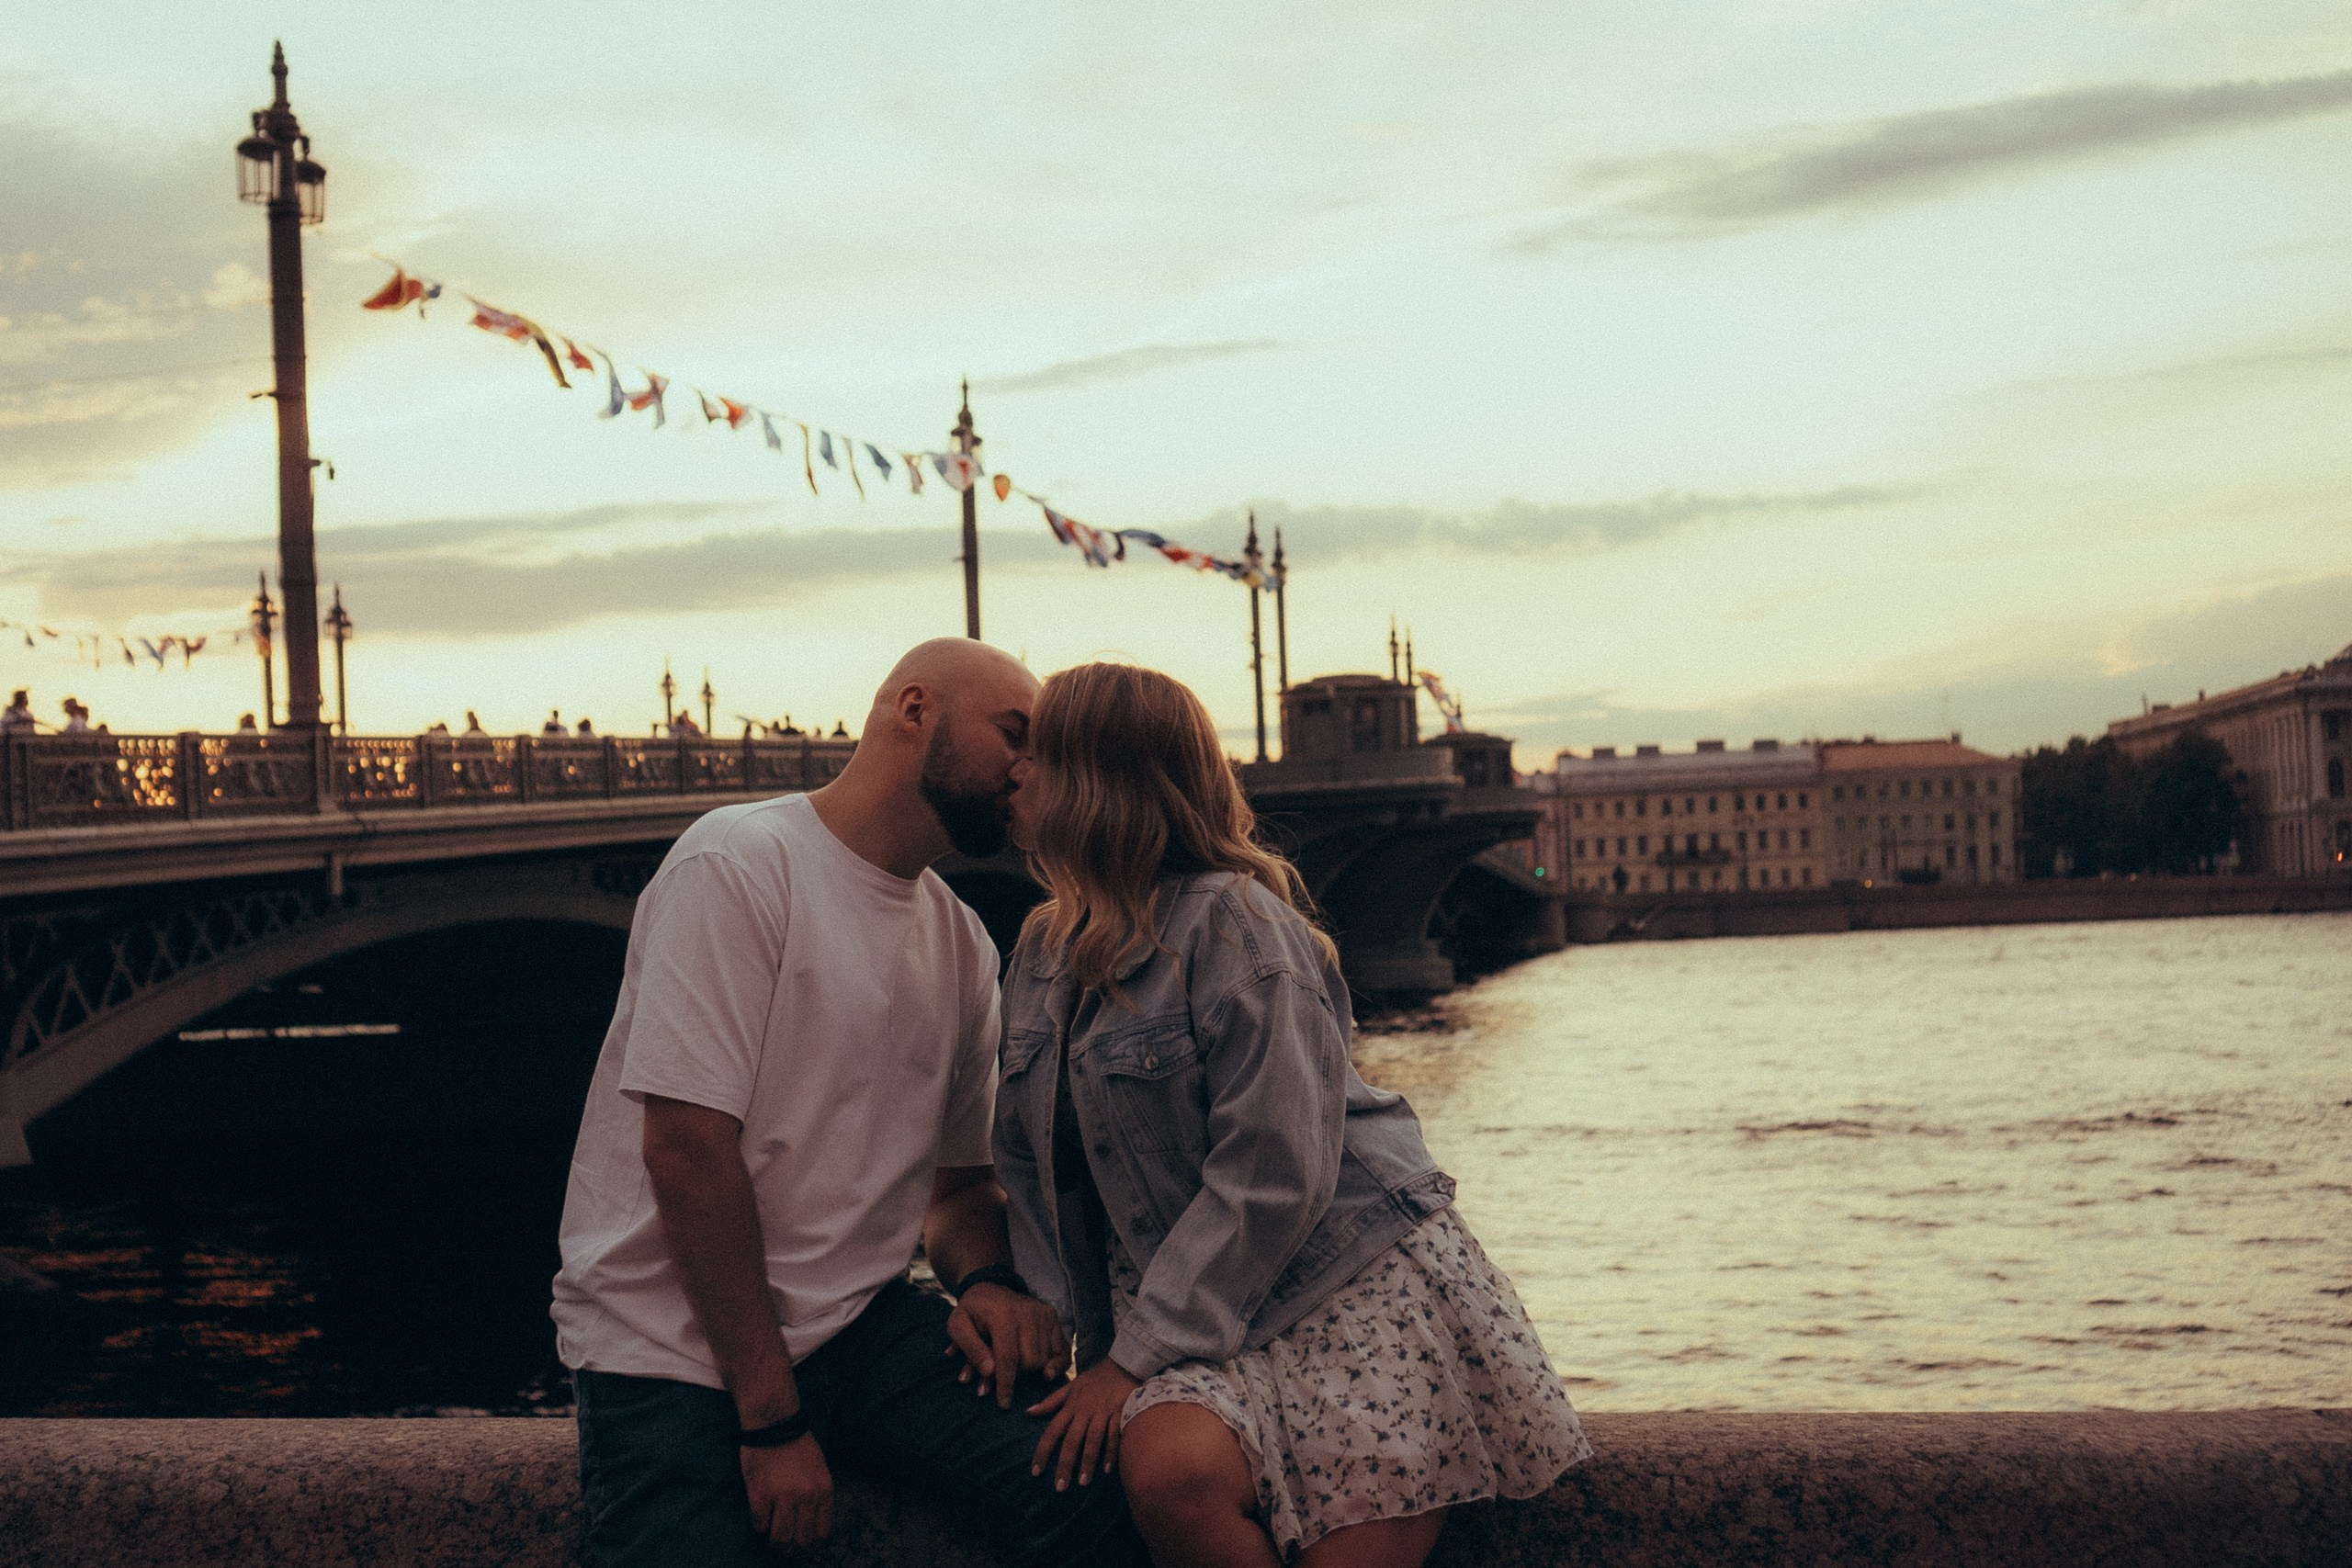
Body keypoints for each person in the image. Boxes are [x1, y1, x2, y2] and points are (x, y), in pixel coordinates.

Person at [551, 637, 1143, 1568]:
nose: (1030, 770)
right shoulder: (739, 863)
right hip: (671, 1354)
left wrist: (986, 1283)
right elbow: (686, 1153)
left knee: (1092, 1488)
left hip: (860, 1333)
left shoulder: (957, 942)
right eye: (1013, 734)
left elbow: (956, 1193)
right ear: (914, 711)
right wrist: (773, 1425)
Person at [997, 663, 1589, 1568]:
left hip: (1342, 1286)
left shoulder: (1237, 923)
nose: (1014, 774)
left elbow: (1276, 1170)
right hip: (1189, 1303)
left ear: (1095, 779)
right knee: (1168, 1473)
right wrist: (1036, 1314)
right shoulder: (1041, 949)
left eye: (1035, 756)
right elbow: (1034, 1169)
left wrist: (1125, 1364)